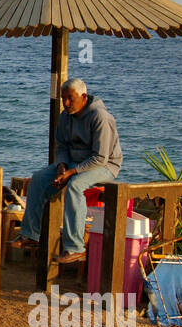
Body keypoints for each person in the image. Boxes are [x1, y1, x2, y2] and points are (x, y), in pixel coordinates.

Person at [14, 78, 124, 262]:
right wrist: (61, 166)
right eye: (63, 98)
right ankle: (31, 234)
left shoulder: (100, 117)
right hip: (74, 162)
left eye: (70, 99)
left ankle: (75, 247)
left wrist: (71, 173)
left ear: (83, 97)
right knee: (38, 180)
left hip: (105, 166)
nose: (65, 103)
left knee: (74, 186)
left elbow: (100, 157)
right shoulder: (65, 116)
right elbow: (61, 146)